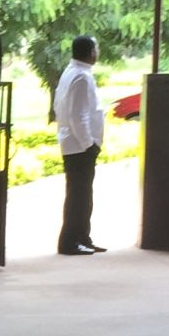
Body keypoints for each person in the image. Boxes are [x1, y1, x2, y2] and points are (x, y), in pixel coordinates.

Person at [51, 35, 105, 255]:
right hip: (79, 146)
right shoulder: (81, 77)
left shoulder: (72, 72)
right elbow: (77, 115)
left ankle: (82, 237)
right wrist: (88, 144)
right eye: (96, 49)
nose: (97, 52)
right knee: (78, 197)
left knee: (82, 195)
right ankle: (70, 242)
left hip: (74, 144)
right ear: (91, 52)